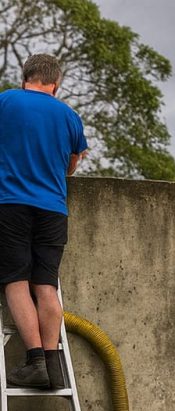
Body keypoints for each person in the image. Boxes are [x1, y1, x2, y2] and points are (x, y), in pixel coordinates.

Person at [0, 53, 88, 389]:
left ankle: (35, 359)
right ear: (56, 84)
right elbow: (71, 166)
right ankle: (53, 366)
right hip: (53, 208)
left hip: (11, 204)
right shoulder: (69, 116)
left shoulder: (5, 101)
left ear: (26, 77)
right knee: (46, 285)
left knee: (15, 281)